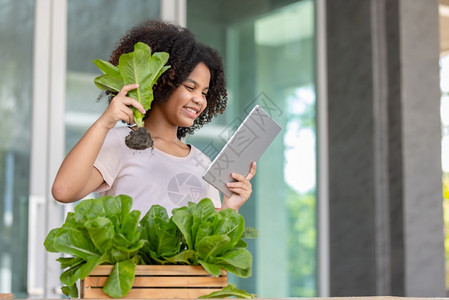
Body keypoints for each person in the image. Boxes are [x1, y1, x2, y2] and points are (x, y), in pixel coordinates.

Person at [52, 20, 256, 214]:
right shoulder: (120, 143)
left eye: (204, 93)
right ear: (161, 82)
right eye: (190, 87)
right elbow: (64, 191)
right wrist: (105, 123)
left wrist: (231, 207)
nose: (199, 100)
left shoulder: (202, 162)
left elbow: (209, 240)